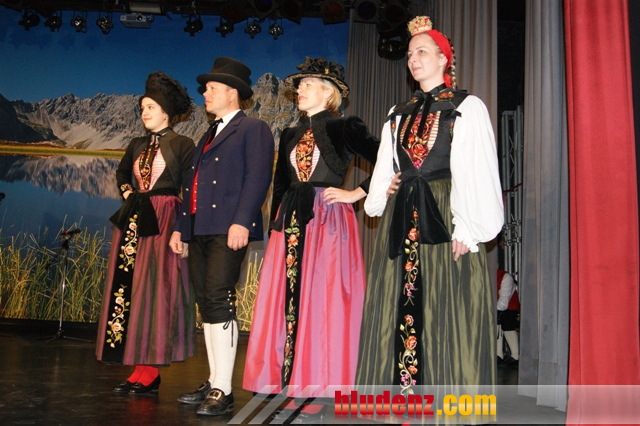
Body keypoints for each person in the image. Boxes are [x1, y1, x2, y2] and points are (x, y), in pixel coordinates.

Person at [355, 16, 504, 395]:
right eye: (409, 54)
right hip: (402, 215)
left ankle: (440, 401)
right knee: (398, 301)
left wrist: (469, 228)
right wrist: (382, 192)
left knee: (441, 303)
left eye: (422, 52)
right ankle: (398, 396)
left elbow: (477, 168)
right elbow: (385, 167)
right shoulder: (398, 112)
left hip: (443, 212)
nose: (413, 59)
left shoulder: (465, 106)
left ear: (443, 59)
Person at [242, 57, 379, 417]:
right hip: (291, 222)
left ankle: (315, 389)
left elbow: (388, 160)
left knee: (320, 299)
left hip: (326, 222)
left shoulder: (344, 126)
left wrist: (355, 193)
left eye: (307, 84)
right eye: (299, 85)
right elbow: (281, 184)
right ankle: (288, 380)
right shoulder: (289, 133)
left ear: (328, 92)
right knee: (287, 299)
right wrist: (275, 225)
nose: (299, 89)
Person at [169, 57, 275, 416]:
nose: (205, 93)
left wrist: (242, 221)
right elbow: (192, 185)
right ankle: (215, 379)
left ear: (233, 93)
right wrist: (181, 228)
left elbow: (258, 178)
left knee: (219, 298)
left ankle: (224, 390)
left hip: (228, 227)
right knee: (207, 302)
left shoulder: (253, 128)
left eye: (212, 88)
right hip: (200, 227)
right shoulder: (209, 133)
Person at [96, 71, 196, 394]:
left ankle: (150, 371)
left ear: (166, 111)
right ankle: (137, 367)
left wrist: (184, 230)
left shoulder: (183, 144)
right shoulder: (137, 144)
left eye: (151, 107)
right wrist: (128, 192)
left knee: (155, 291)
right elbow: (122, 172)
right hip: (135, 221)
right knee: (131, 291)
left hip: (165, 220)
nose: (145, 113)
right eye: (142, 108)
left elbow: (190, 189)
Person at [497, 268, 520, 367]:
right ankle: (498, 354)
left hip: (511, 309)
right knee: (498, 318)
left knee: (506, 320)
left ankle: (515, 356)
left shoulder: (506, 277)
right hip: (499, 310)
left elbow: (503, 303)